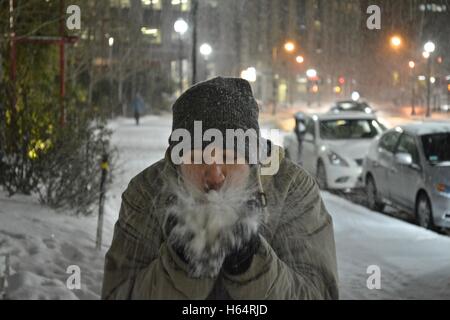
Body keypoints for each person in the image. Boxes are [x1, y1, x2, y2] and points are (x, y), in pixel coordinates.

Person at [102, 77, 339, 299]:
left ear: (251, 160)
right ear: (178, 163)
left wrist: (251, 261)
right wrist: (180, 262)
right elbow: (119, 292)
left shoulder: (291, 188)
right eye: (197, 158)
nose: (215, 175)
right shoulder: (147, 192)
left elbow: (317, 292)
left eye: (229, 156)